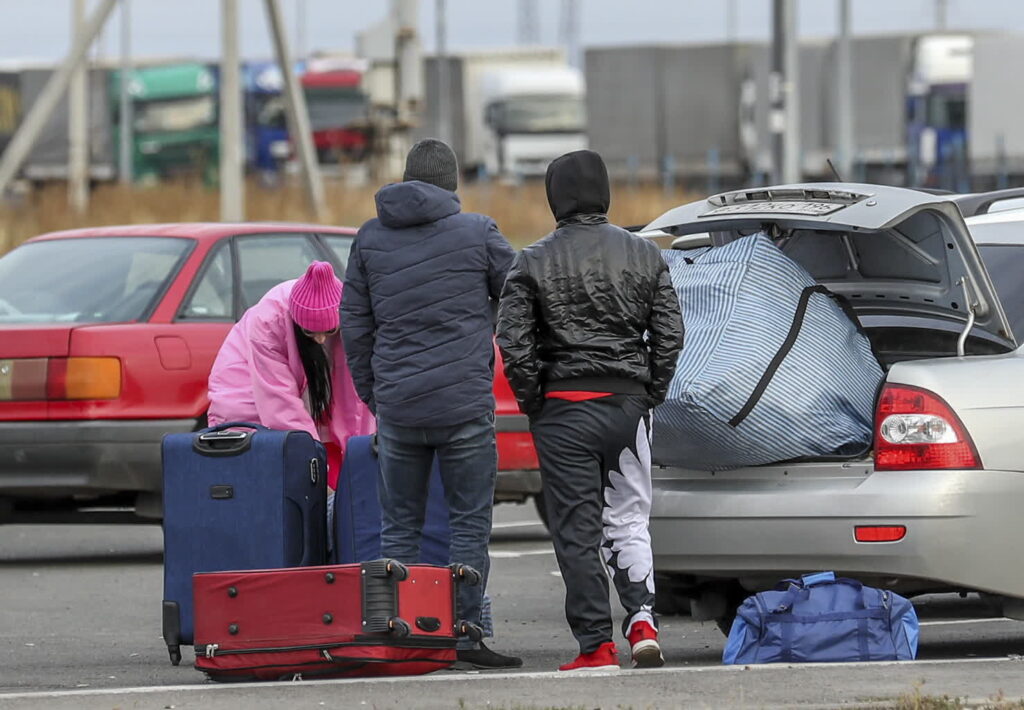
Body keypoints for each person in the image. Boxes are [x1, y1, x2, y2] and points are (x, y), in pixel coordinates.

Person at [496, 150, 684, 672]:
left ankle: (596, 646)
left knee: (576, 531)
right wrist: (650, 393)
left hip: (563, 410)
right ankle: (643, 620)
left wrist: (536, 401)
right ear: (605, 193)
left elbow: (513, 343)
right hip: (627, 405)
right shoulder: (645, 254)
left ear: (555, 197)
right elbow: (670, 332)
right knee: (629, 518)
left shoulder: (530, 260)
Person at [341, 138, 521, 670]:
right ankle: (463, 635)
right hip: (464, 405)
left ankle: (405, 635)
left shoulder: (370, 237)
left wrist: (377, 393)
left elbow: (354, 323)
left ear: (405, 178)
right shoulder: (479, 231)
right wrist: (485, 341)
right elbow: (517, 297)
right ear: (451, 185)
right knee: (468, 523)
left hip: (398, 408)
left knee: (398, 526)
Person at [207, 261, 375, 494]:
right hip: (248, 391)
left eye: (328, 331)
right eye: (310, 332)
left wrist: (361, 456)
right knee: (281, 462)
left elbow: (355, 399)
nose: (319, 339)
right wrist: (312, 463)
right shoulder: (268, 322)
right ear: (296, 321)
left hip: (311, 391)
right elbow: (278, 406)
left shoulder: (353, 316)